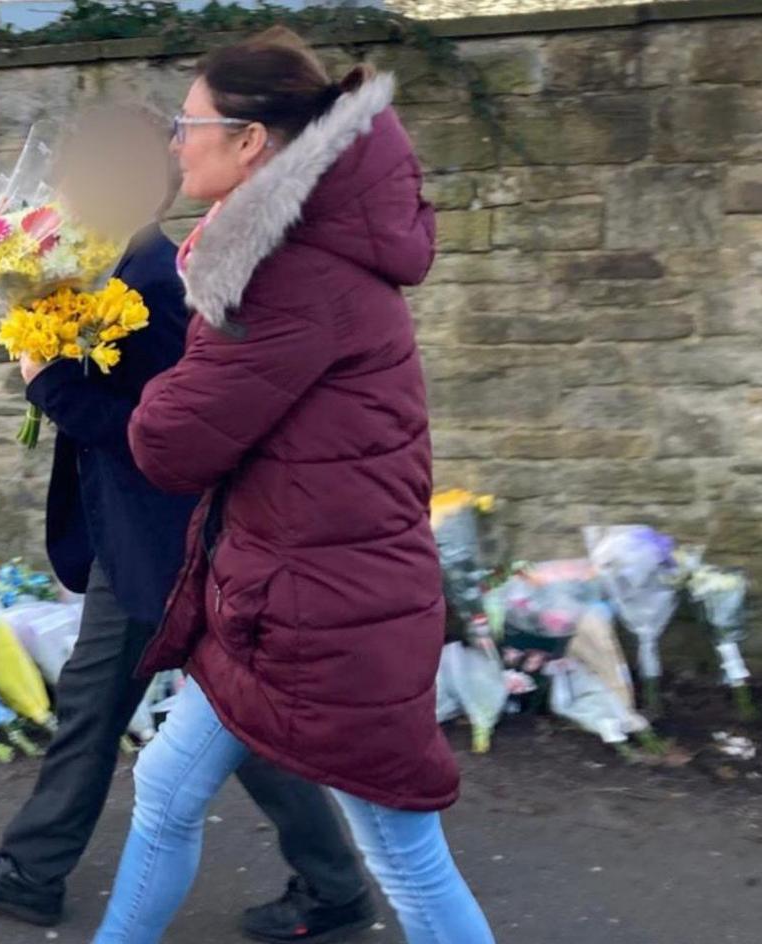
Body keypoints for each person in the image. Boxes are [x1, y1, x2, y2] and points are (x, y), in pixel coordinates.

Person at [91, 28, 496, 944]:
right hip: (285, 594)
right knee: (164, 788)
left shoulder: (280, 271)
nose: (173, 143)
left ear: (249, 142)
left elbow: (170, 443)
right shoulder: (288, 247)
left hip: (329, 613)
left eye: (186, 123)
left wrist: (90, 369)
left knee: (402, 850)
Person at [0, 105, 376, 943]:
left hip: (165, 537)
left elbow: (169, 432)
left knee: (132, 709)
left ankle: (35, 871)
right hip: (140, 533)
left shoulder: (157, 286)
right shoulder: (98, 275)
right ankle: (331, 886)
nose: (71, 191)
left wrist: (49, 385)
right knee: (199, 711)